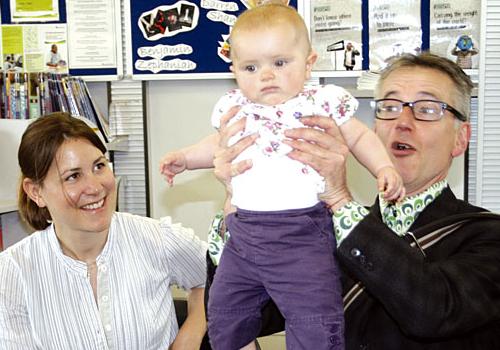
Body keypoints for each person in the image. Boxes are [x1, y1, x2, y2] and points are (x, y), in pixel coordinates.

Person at [211, 52, 500, 349]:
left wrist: (339, 199)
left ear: (461, 139)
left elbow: (433, 310)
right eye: (389, 107)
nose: (402, 122)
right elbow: (254, 314)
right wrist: (239, 202)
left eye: (427, 109)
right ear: (374, 130)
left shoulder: (488, 234)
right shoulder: (318, 225)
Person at [160, 4, 403, 349]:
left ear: (308, 63)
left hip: (301, 234)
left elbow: (360, 137)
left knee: (313, 317)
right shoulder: (236, 106)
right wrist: (185, 158)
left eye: (279, 62)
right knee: (225, 310)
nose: (266, 75)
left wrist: (383, 167)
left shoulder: (322, 102)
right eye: (251, 67)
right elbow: (217, 144)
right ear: (235, 71)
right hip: (243, 235)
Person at [0, 113, 208, 349]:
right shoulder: (11, 273)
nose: (95, 187)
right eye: (73, 176)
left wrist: (188, 338)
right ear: (36, 192)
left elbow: (217, 278)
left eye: (99, 166)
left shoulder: (157, 238)